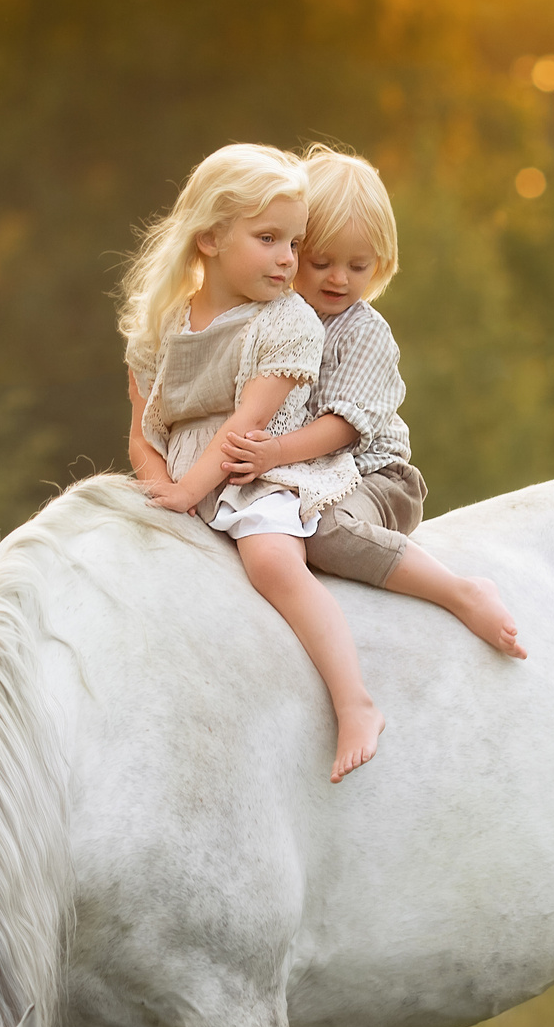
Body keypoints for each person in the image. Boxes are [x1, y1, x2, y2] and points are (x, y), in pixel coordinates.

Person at [120, 143, 382, 781]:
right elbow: (142, 434)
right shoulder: (159, 326)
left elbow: (247, 428)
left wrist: (187, 497)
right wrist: (160, 489)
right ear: (208, 237)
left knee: (271, 560)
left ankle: (355, 702)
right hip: (184, 478)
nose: (288, 260)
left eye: (294, 244)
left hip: (253, 474)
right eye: (269, 239)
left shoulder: (288, 323)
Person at [221, 147, 524, 659]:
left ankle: (463, 592)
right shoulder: (272, 318)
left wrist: (270, 454)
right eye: (321, 262)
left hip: (372, 475)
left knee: (328, 533)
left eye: (357, 265)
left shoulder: (364, 333)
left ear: (379, 265)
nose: (338, 278)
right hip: (301, 475)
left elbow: (342, 428)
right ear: (293, 251)